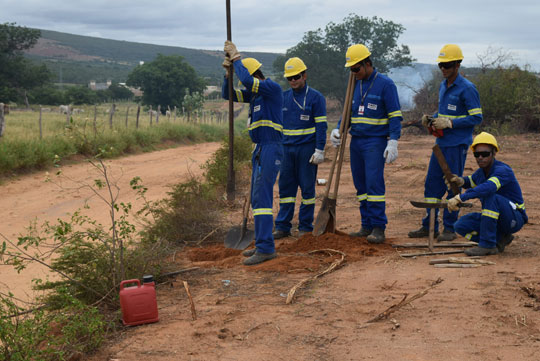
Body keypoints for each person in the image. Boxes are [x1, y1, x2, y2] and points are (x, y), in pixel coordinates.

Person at [408, 44, 483, 242]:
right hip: (441, 143)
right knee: (432, 185)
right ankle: (429, 225)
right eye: (441, 65)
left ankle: (449, 228)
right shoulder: (443, 85)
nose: (444, 68)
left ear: (457, 64)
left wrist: (451, 123)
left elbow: (477, 118)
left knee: (453, 185)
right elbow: (444, 113)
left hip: (456, 145)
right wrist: (432, 118)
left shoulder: (467, 88)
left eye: (448, 65)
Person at [330, 44, 402, 244]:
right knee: (360, 185)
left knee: (373, 184)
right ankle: (367, 224)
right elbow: (348, 112)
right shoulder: (355, 83)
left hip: (375, 142)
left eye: (356, 69)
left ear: (368, 64)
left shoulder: (385, 84)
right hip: (357, 141)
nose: (354, 73)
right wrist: (338, 129)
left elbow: (395, 116)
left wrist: (393, 141)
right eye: (351, 70)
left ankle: (379, 227)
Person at [222, 41, 284, 265]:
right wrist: (228, 75)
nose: (244, 85)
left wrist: (236, 58)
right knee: (258, 198)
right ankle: (261, 242)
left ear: (254, 73)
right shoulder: (255, 96)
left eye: (244, 78)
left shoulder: (270, 89)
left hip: (271, 147)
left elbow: (248, 81)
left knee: (264, 198)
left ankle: (266, 248)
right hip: (259, 148)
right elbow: (227, 95)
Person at [446, 132, 527, 256]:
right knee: (460, 225)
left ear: (494, 153)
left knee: (491, 196)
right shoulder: (481, 172)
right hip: (497, 220)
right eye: (477, 154)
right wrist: (460, 181)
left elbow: (488, 187)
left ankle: (487, 245)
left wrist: (461, 197)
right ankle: (500, 239)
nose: (480, 157)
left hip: (513, 218)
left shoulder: (503, 170)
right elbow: (472, 181)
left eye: (485, 154)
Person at [273, 57, 327, 239]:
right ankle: (282, 226)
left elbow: (321, 126)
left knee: (307, 190)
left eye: (296, 76)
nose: (293, 80)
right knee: (286, 190)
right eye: (290, 78)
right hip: (286, 150)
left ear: (304, 75)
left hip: (307, 150)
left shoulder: (316, 97)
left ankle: (305, 226)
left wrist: (320, 149)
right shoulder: (283, 97)